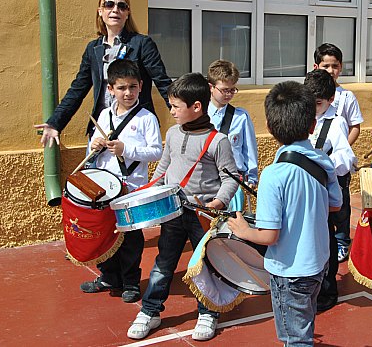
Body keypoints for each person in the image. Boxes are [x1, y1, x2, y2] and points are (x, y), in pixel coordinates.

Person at [227, 81, 342, 347]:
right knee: (304, 325)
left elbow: (269, 235)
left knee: (295, 339)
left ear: (269, 128)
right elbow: (334, 205)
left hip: (290, 271)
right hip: (318, 262)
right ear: (312, 126)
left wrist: (243, 231)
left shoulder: (273, 175)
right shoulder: (322, 160)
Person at [127, 73, 239, 341]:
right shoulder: (174, 133)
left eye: (176, 106)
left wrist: (219, 201)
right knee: (163, 263)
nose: (172, 111)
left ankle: (208, 312)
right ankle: (150, 311)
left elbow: (230, 179)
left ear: (196, 107)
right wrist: (148, 192)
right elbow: (163, 169)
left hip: (203, 216)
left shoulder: (218, 140)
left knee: (206, 265)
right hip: (174, 211)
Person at [35, 0, 171, 146]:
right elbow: (77, 89)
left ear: (127, 13)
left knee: (130, 171)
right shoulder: (93, 49)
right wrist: (55, 122)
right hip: (102, 128)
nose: (115, 10)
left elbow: (162, 82)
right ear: (100, 11)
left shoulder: (142, 44)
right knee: (96, 170)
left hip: (134, 124)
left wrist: (184, 114)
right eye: (109, 5)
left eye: (122, 6)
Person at [79, 60, 163, 303]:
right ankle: (108, 276)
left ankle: (130, 282)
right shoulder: (104, 115)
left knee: (130, 237)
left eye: (133, 87)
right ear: (110, 89)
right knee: (104, 233)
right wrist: (93, 147)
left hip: (132, 186)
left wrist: (126, 149)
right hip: (105, 185)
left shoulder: (147, 117)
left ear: (141, 87)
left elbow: (156, 152)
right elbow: (91, 152)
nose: (128, 93)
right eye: (122, 88)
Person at [303, 69, 357, 313]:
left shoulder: (336, 123)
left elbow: (346, 158)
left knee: (327, 240)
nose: (313, 108)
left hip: (326, 191)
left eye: (318, 103)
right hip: (306, 190)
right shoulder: (302, 117)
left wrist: (323, 164)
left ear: (330, 100)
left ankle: (327, 290)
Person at [313, 43, 363, 262]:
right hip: (315, 160)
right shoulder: (309, 95)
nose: (331, 70)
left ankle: (342, 240)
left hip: (337, 160)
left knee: (340, 203)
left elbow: (355, 126)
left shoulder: (346, 97)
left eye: (335, 66)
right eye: (326, 66)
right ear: (316, 67)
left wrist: (342, 149)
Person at [206, 59, 258, 211]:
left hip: (233, 182)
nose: (229, 94)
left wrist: (251, 177)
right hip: (208, 184)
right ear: (211, 87)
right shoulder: (200, 115)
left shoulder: (240, 117)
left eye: (232, 90)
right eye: (224, 90)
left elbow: (249, 150)